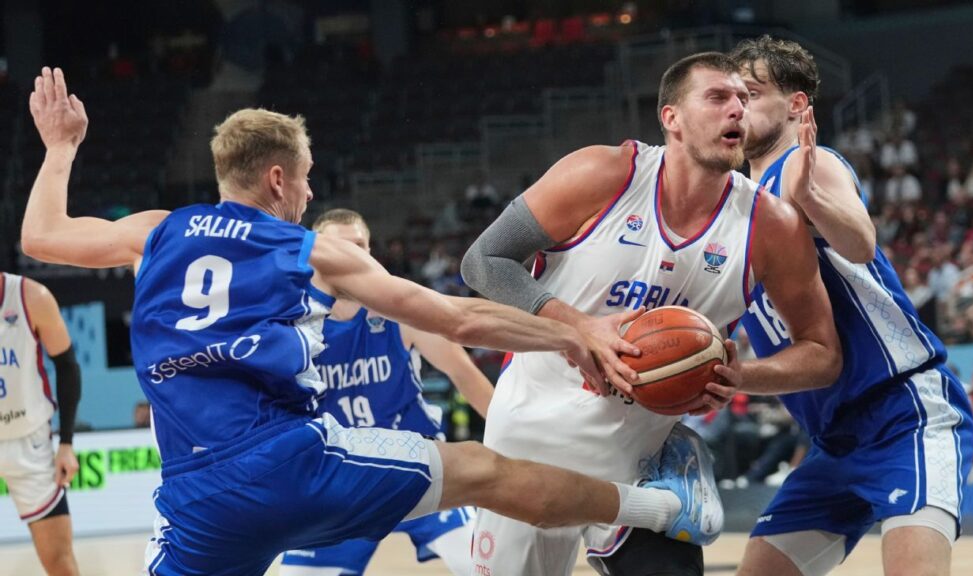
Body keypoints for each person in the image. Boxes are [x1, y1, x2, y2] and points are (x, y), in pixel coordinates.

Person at [22, 67, 699, 575]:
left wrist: (59, 147)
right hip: (294, 465)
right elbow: (454, 317)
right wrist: (573, 329)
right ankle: (665, 510)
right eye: (309, 178)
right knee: (487, 472)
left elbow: (43, 237)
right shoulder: (307, 249)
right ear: (279, 179)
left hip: (197, 498)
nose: (313, 193)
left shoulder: (157, 232)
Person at [461, 52, 841, 576]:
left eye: (744, 99)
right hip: (530, 434)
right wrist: (579, 328)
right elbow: (483, 261)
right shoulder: (605, 173)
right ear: (672, 118)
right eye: (717, 98)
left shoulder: (771, 226)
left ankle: (666, 500)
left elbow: (822, 353)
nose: (737, 110)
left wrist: (740, 377)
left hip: (639, 460)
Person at [730, 35, 973, 576]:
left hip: (903, 413)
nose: (736, 108)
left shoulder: (806, 166)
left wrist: (810, 198)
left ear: (797, 104)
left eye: (751, 93)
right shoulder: (732, 212)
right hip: (831, 441)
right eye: (729, 97)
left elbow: (860, 241)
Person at [280, 208, 493, 576]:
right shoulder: (293, 324)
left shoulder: (398, 310)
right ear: (315, 253)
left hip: (415, 462)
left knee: (485, 563)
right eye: (340, 246)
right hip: (339, 475)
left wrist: (514, 435)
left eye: (360, 245)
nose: (353, 254)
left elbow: (463, 372)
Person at [0, 272, 82, 576]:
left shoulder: (32, 296)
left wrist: (66, 443)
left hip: (29, 441)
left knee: (59, 562)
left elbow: (67, 366)